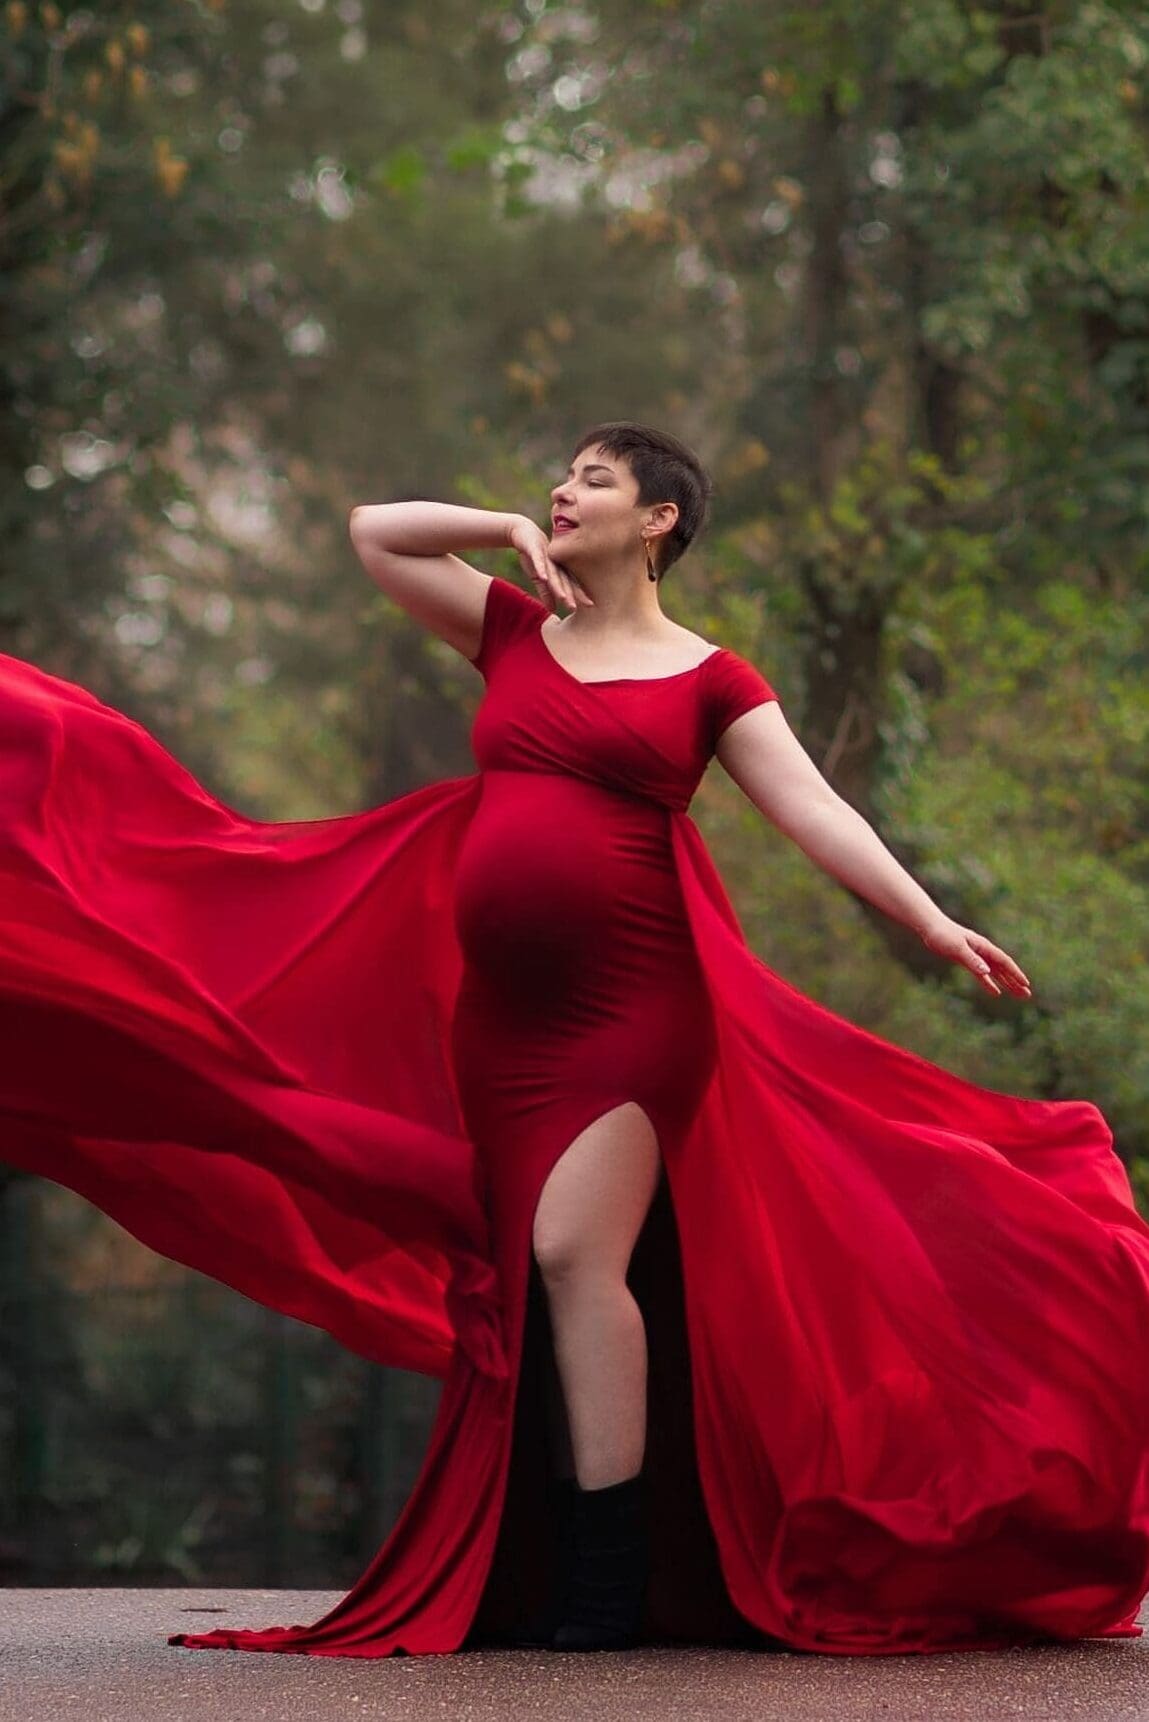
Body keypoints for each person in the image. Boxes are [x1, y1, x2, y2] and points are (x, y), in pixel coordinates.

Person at [1, 422, 1147, 1660]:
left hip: (634, 1015)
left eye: (593, 480)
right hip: (501, 1033)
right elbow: (374, 534)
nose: (560, 490)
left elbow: (811, 801)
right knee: (541, 1270)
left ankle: (602, 1588)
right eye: (563, 476)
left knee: (567, 1254)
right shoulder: (511, 635)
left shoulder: (712, 678)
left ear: (660, 521)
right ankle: (572, 1566)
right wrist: (495, 530)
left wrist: (928, 919)